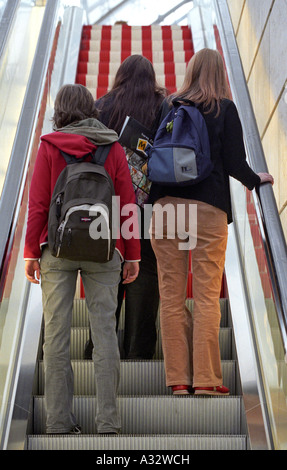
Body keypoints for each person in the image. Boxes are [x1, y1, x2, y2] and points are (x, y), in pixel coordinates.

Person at [149, 48, 274, 396]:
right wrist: (256, 180)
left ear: (190, 71)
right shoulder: (224, 107)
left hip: (166, 208)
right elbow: (234, 161)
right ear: (220, 73)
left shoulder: (170, 105)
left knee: (171, 297)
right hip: (208, 208)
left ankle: (177, 380)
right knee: (205, 296)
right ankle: (205, 379)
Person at [24, 84, 140, 434]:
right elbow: (127, 204)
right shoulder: (112, 146)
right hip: (104, 250)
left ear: (59, 111)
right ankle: (108, 421)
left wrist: (31, 251)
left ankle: (58, 422)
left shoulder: (49, 146)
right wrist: (130, 254)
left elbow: (39, 205)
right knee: (105, 333)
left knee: (56, 336)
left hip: (56, 250)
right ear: (92, 108)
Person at [94, 54, 168, 359]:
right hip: (149, 207)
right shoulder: (162, 105)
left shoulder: (102, 105)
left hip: (108, 204)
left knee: (108, 273)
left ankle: (98, 351)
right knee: (146, 271)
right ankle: (139, 351)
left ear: (120, 75)